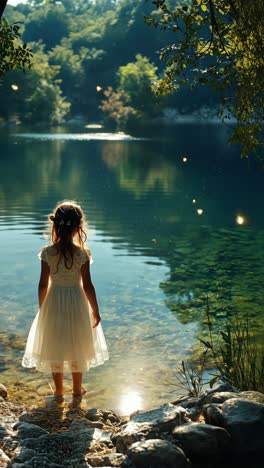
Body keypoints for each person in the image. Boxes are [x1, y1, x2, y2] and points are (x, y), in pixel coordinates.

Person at [22, 200, 109, 401]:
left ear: (55, 226)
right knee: (78, 344)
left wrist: (43, 307)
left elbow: (43, 284)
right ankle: (77, 390)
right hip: (78, 303)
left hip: (53, 301)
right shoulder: (82, 254)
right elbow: (88, 286)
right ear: (78, 228)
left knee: (55, 345)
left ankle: (59, 391)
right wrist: (95, 310)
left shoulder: (47, 253)